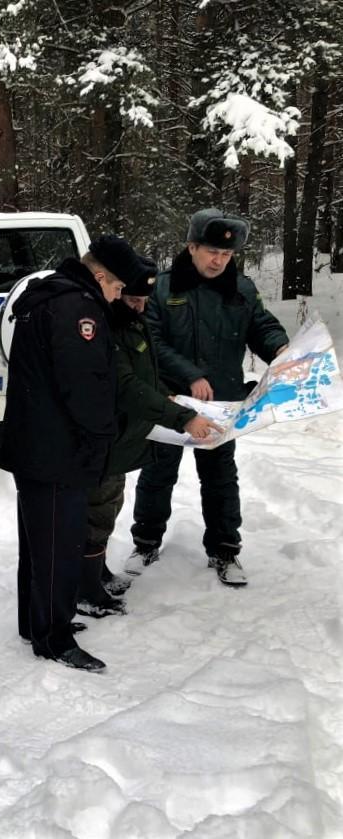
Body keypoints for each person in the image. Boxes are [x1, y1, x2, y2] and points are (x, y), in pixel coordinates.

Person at [0, 234, 152, 672]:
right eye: (119, 288)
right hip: (56, 449)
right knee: (58, 548)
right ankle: (54, 639)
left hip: (37, 443)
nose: (119, 296)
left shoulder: (52, 296)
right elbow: (84, 386)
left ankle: (36, 623)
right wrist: (104, 434)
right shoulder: (77, 309)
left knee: (39, 545)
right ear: (101, 275)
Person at [128, 209, 288, 586]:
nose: (219, 260)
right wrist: (190, 374)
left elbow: (261, 326)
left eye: (227, 254)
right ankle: (145, 542)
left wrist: (280, 349)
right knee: (157, 473)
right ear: (192, 247)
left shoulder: (241, 289)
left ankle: (225, 550)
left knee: (219, 477)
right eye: (212, 251)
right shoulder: (162, 288)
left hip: (222, 402)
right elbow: (150, 340)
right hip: (171, 400)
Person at [77, 258, 222, 618]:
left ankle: (95, 573)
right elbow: (124, 385)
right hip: (104, 433)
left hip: (123, 435)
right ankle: (84, 587)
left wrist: (165, 395)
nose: (141, 306)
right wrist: (182, 417)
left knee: (109, 504)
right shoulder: (103, 325)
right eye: (133, 299)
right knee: (95, 511)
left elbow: (144, 374)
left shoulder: (130, 319)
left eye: (145, 300)